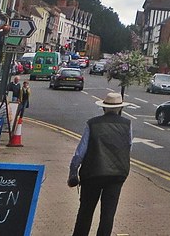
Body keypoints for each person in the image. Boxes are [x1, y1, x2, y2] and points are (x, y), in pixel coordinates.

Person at [69, 92, 133, 236]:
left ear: (104, 108)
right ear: (120, 109)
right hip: (117, 174)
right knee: (108, 214)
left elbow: (80, 152)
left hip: (92, 173)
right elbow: (128, 146)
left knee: (85, 211)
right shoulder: (127, 125)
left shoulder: (92, 124)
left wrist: (73, 171)